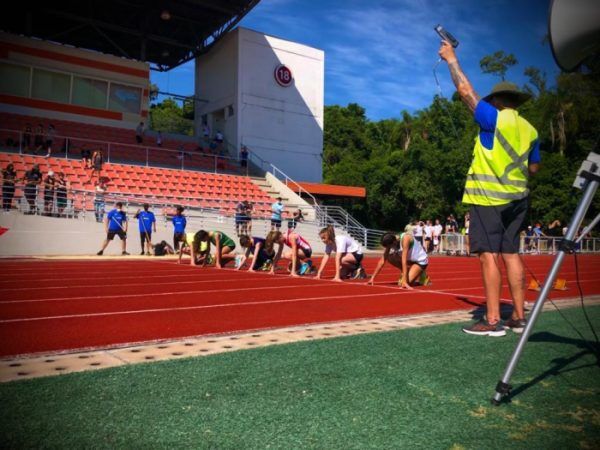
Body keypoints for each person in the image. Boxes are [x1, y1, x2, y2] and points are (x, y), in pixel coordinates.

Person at [439, 39, 540, 336]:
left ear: (497, 100)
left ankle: (493, 320)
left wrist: (450, 59)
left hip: (488, 199)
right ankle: (519, 317)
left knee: (487, 255)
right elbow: (534, 167)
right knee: (511, 254)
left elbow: (465, 92)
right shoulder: (530, 130)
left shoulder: (493, 117)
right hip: (518, 199)